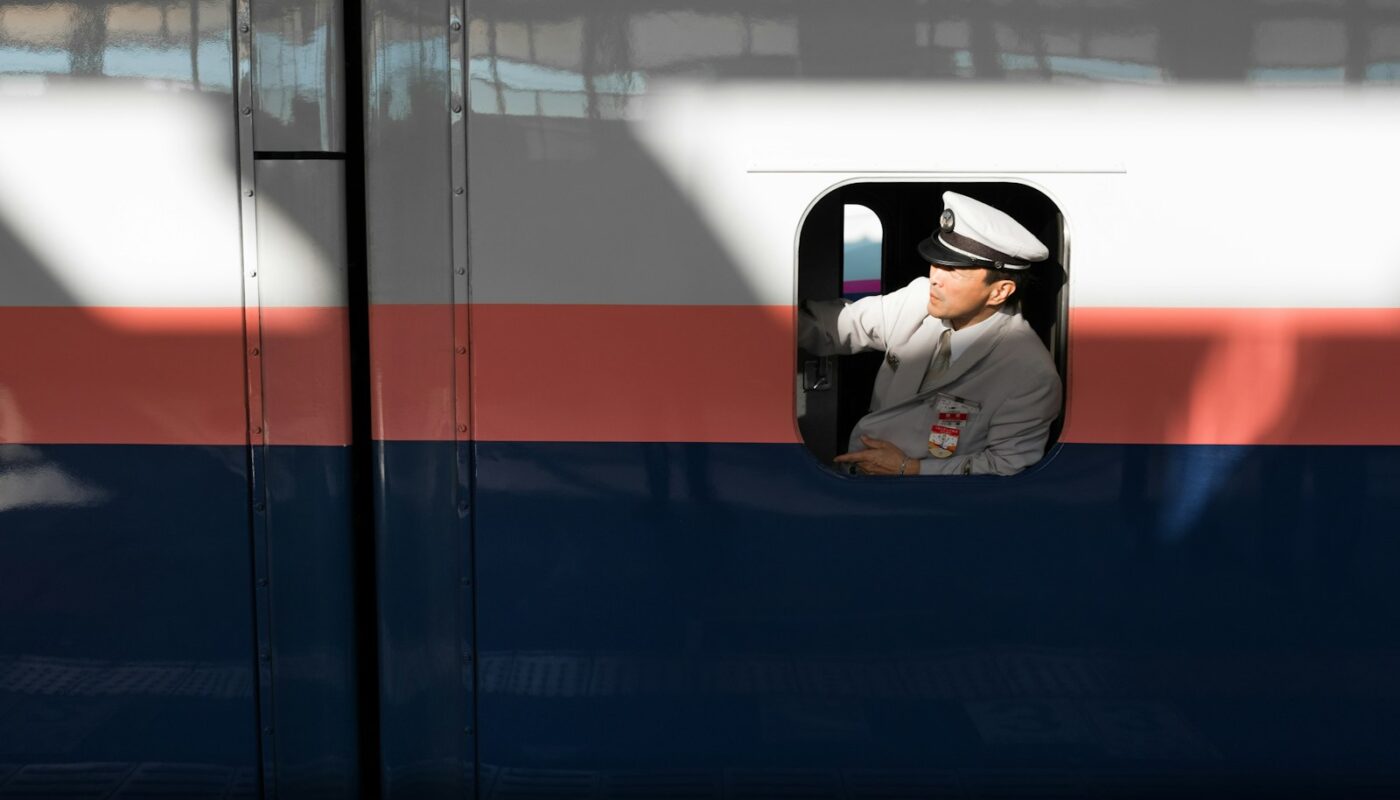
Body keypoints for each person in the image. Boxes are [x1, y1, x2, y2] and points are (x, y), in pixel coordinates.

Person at [798, 191, 1061, 476]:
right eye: (937, 262)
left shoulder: (1029, 371)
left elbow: (1006, 465)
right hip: (865, 482)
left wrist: (910, 468)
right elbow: (837, 326)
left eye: (954, 271)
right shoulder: (918, 299)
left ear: (1000, 291)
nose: (936, 278)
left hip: (934, 502)